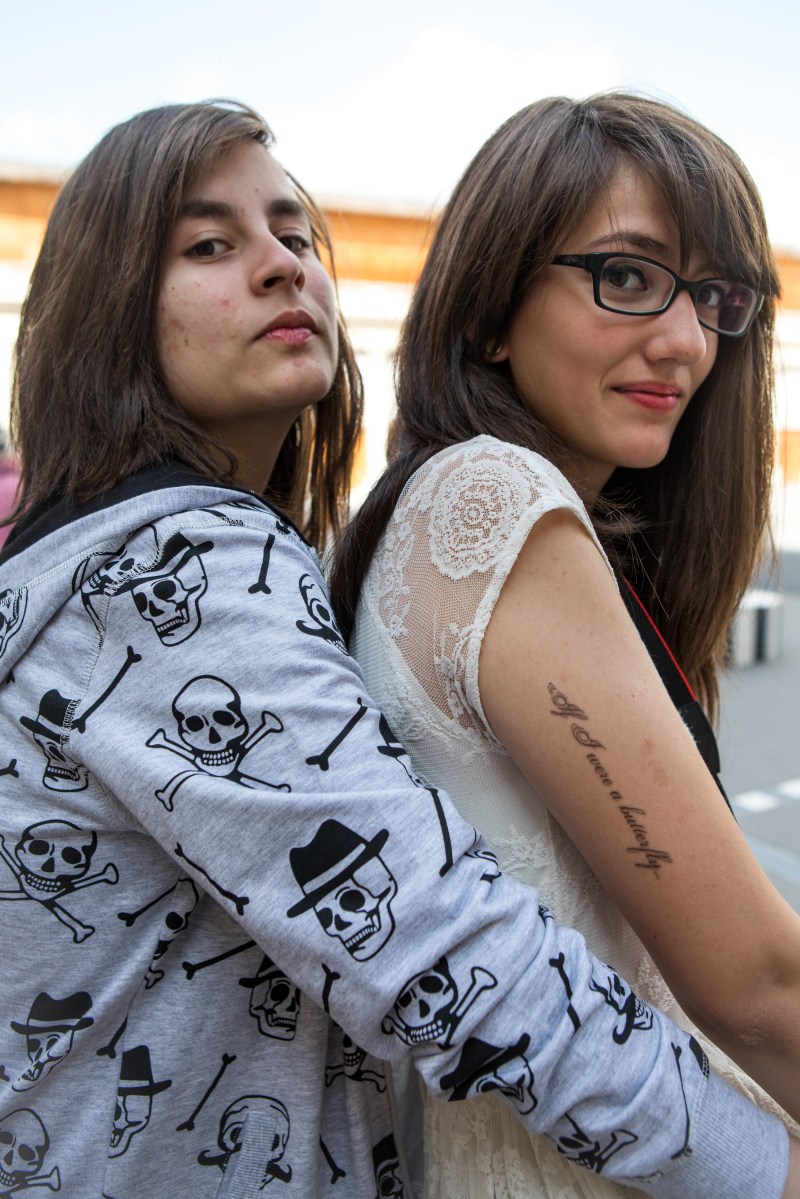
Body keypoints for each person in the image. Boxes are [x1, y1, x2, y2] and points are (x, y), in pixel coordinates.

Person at [0, 100, 796, 1199]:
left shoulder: (213, 557)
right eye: (208, 243)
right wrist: (772, 1169)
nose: (283, 266)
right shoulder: (178, 558)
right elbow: (449, 953)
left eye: (295, 234)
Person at [330, 92, 800, 1198]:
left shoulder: (444, 507)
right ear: (491, 308)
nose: (684, 340)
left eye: (711, 297)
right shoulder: (493, 494)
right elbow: (752, 982)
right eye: (625, 276)